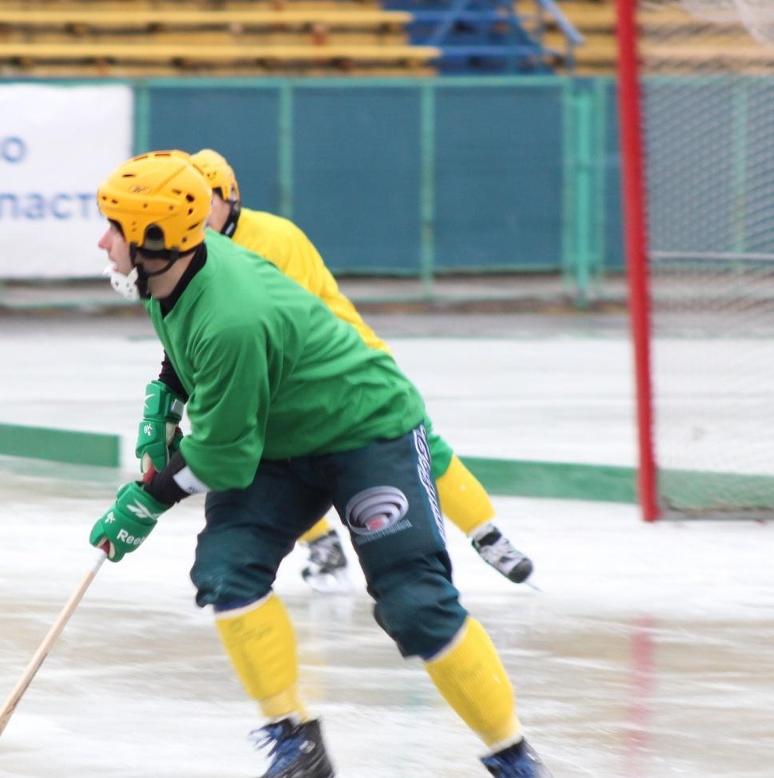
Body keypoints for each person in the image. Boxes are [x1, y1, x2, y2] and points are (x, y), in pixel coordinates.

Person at [89, 150, 562, 778]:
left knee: (415, 603)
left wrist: (147, 500)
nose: (102, 241)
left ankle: (513, 756)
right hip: (278, 441)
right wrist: (162, 400)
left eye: (113, 228)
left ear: (155, 240)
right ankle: (298, 750)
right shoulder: (174, 275)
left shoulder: (232, 313)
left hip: (364, 428)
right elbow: (183, 356)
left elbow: (221, 454)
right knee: (227, 574)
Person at [130, 146, 534, 594]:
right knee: (266, 459)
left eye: (210, 201)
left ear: (230, 198)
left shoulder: (271, 239)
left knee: (423, 447)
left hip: (341, 368)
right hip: (278, 375)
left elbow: (291, 326)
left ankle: (487, 534)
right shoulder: (187, 252)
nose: (201, 212)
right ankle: (322, 541)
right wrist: (168, 393)